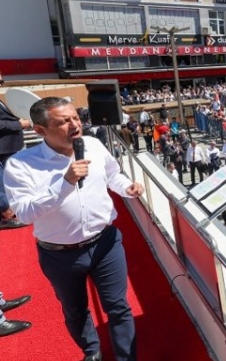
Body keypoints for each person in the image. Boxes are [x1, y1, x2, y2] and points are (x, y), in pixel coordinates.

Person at [4, 97, 145, 361]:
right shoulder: (20, 164)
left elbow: (113, 175)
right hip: (59, 255)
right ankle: (92, 352)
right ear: (40, 130)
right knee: (75, 310)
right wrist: (64, 183)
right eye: (64, 121)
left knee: (118, 307)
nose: (74, 125)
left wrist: (127, 188)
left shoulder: (92, 144)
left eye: (76, 118)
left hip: (105, 243)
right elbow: (23, 213)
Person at [0, 72, 32, 230]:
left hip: (8, 147)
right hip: (3, 148)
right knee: (1, 182)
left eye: (2, 82)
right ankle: (6, 215)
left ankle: (10, 211)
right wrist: (19, 125)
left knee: (8, 180)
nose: (1, 85)